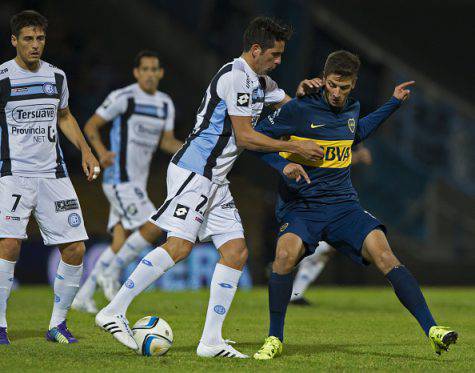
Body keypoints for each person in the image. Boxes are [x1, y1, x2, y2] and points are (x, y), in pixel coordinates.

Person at [95, 16, 323, 358]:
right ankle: (113, 310)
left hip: (215, 178)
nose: (279, 61)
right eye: (275, 55)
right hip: (194, 171)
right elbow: (245, 136)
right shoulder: (235, 77)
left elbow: (289, 106)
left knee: (236, 252)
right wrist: (294, 149)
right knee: (179, 247)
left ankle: (211, 342)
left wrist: (304, 95)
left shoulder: (261, 82)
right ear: (256, 49)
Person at [252, 50, 457, 359]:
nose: (337, 93)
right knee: (283, 257)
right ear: (324, 79)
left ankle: (433, 330)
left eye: (344, 88)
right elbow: (255, 139)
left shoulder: (352, 109)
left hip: (343, 207)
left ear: (353, 84)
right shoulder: (299, 109)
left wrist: (393, 103)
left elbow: (357, 131)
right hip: (302, 207)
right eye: (333, 85)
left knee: (385, 254)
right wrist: (284, 165)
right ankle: (274, 338)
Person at [0, 10, 100, 345]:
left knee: (75, 248)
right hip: (13, 174)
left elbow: (65, 115)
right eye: (27, 39)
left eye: (40, 38)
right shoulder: (2, 78)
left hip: (53, 174)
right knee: (9, 244)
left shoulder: (56, 76)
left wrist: (85, 150)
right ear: (14, 40)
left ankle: (57, 325)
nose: (35, 45)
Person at [71, 51, 182, 313]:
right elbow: (91, 125)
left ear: (161, 73)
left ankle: (83, 296)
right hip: (118, 178)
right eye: (145, 69)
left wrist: (192, 150)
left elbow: (166, 141)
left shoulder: (165, 104)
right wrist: (100, 152)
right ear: (136, 72)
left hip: (137, 183)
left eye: (155, 69)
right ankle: (112, 272)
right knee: (153, 225)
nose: (150, 74)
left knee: (119, 241)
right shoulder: (124, 97)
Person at [290, 145, 372, 305]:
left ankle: (295, 293)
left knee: (324, 252)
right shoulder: (322, 133)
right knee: (326, 247)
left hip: (335, 201)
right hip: (321, 201)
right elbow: (328, 160)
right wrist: (359, 156)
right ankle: (290, 260)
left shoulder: (343, 133)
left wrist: (358, 153)